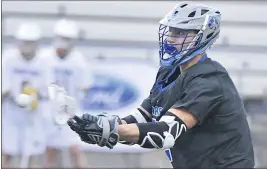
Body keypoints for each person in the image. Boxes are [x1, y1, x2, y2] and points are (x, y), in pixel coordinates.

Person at [67, 2, 255, 168]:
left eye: (180, 32)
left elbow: (167, 133)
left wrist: (112, 131)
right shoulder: (169, 71)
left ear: (201, 37)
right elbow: (143, 117)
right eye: (171, 31)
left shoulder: (210, 79)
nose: (171, 38)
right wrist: (102, 127)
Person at [42, 19, 93, 168]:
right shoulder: (45, 57)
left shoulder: (78, 60)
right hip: (50, 111)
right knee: (50, 150)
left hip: (71, 111)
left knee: (75, 149)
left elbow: (85, 85)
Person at [2, 23, 49, 168]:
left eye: (30, 42)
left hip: (33, 113)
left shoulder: (44, 61)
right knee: (8, 151)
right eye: (24, 42)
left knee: (32, 153)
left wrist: (36, 97)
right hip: (12, 112)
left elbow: (47, 87)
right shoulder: (9, 58)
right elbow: (4, 85)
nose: (27, 46)